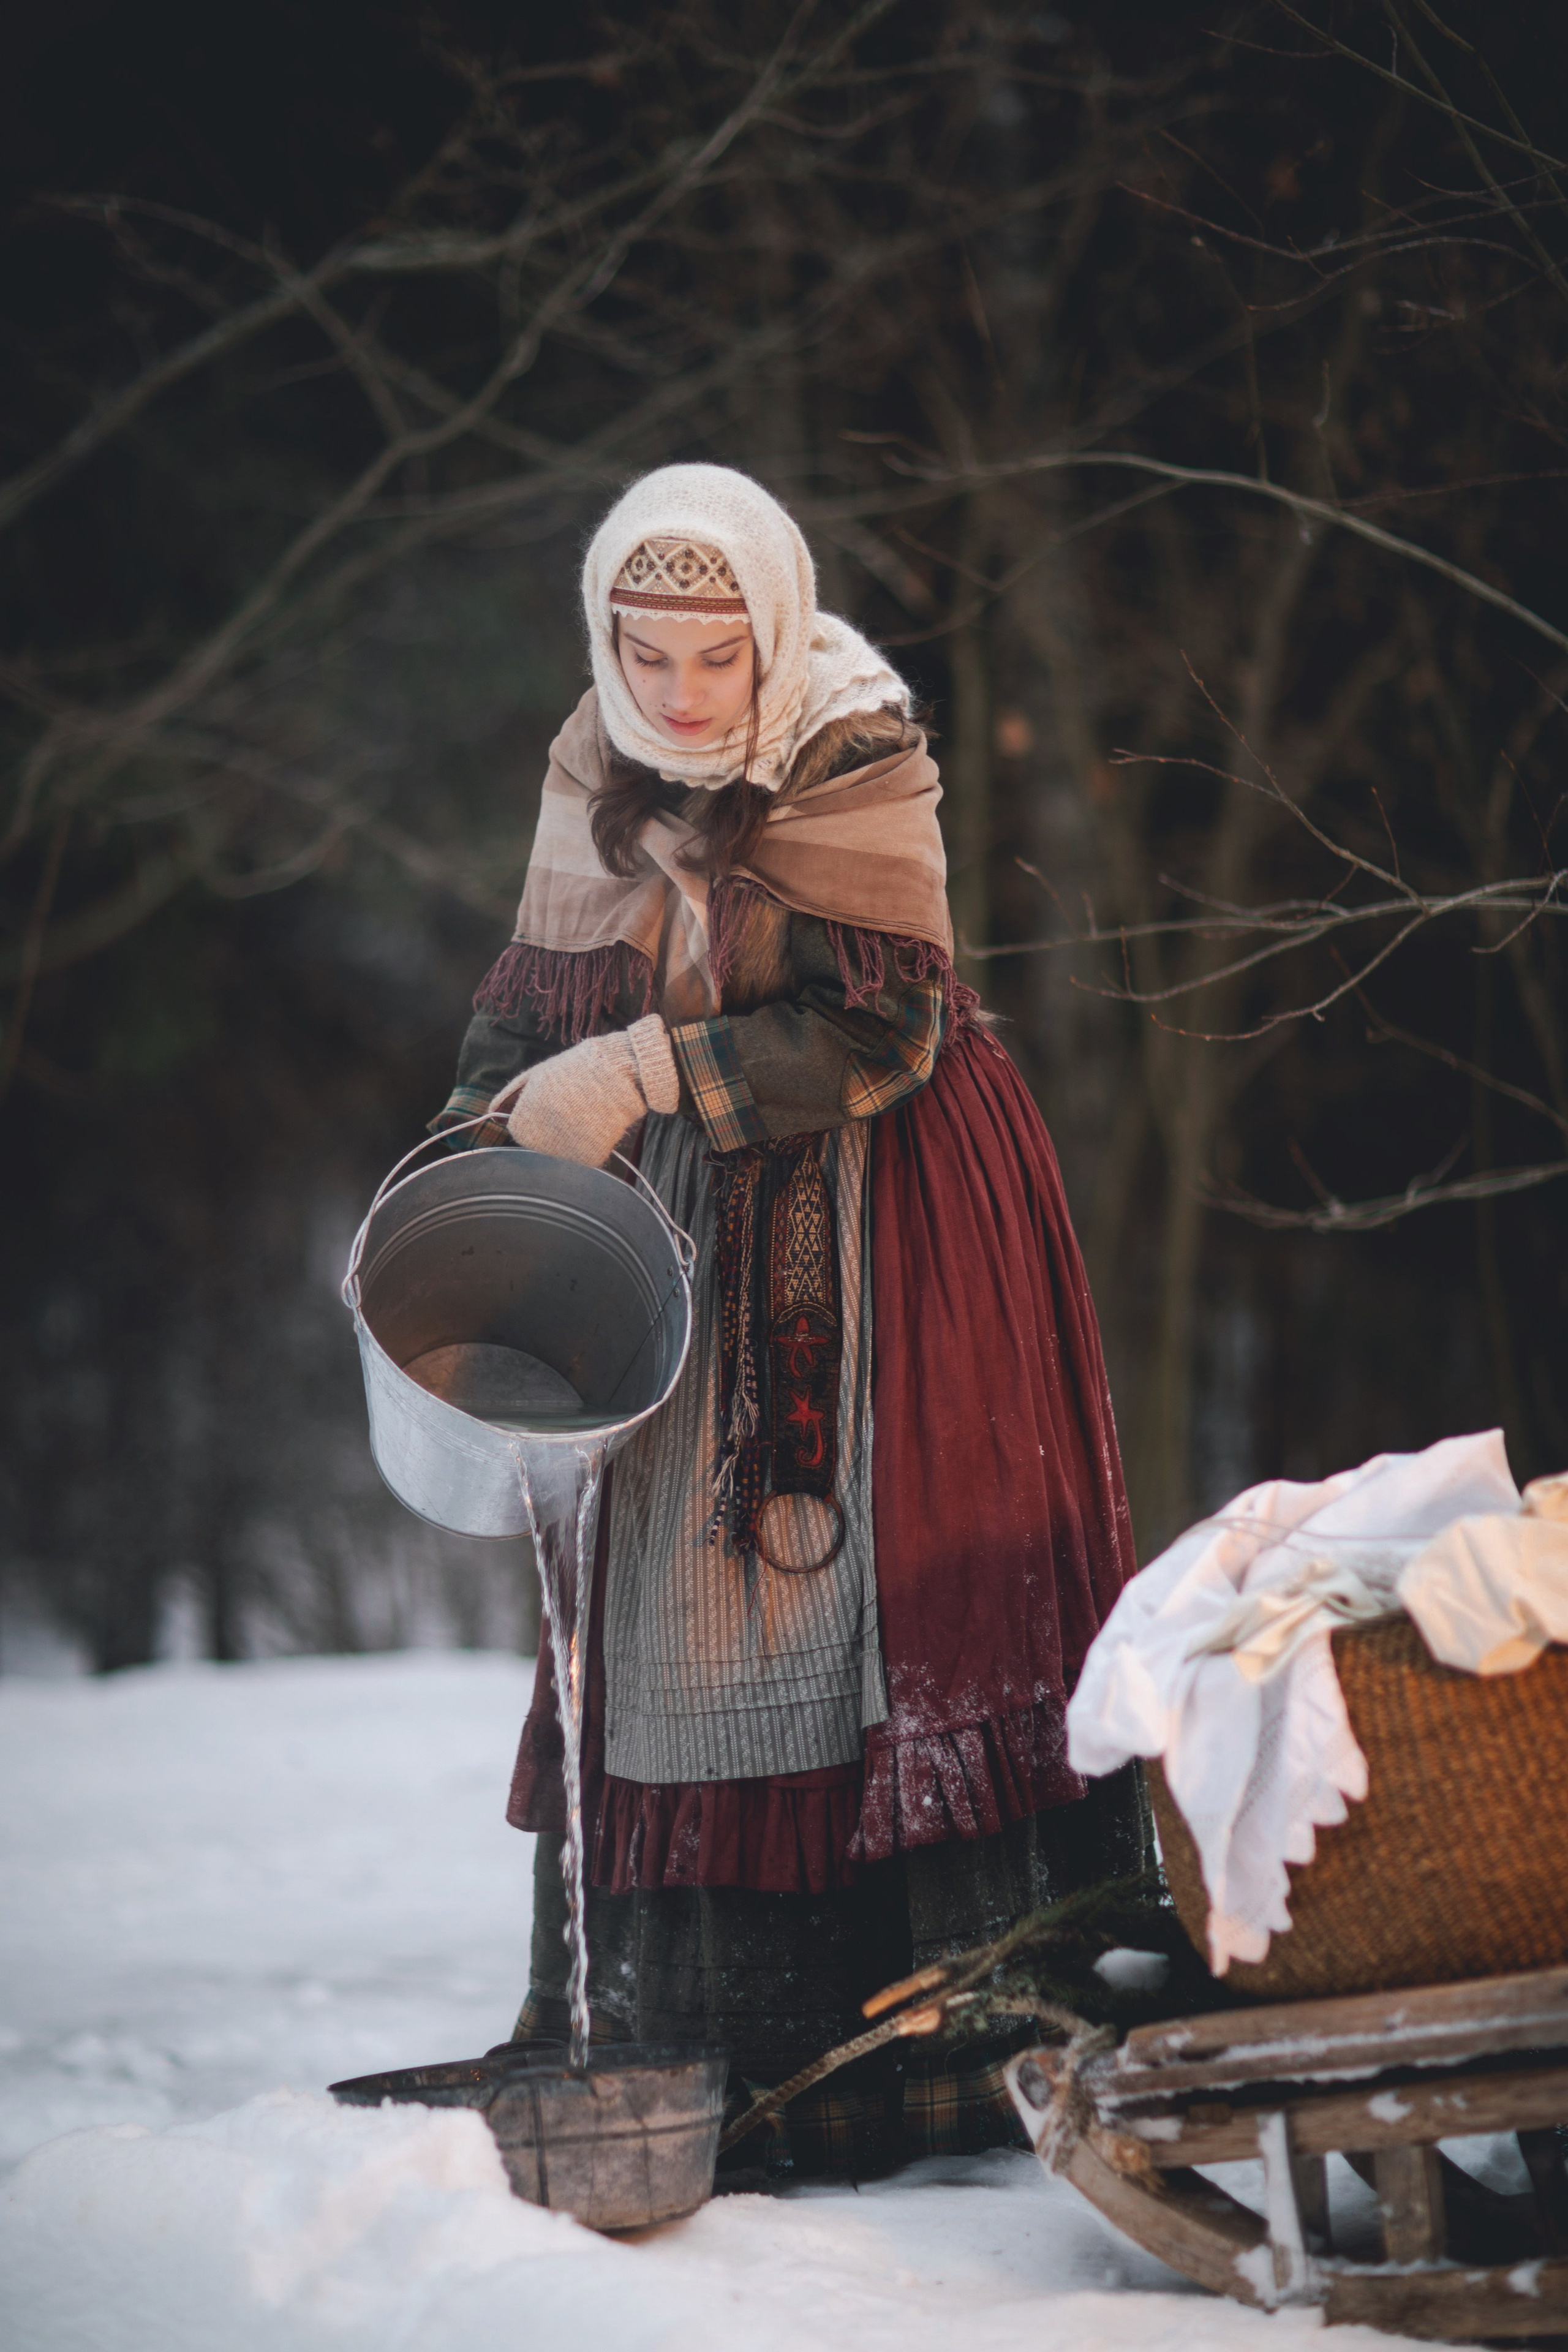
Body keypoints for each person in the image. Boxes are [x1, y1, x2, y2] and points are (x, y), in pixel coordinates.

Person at [434, 462, 1147, 2177]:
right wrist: (470, 1169)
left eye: (713, 654)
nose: (678, 695)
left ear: (775, 625)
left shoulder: (854, 742)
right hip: (685, 1217)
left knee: (887, 1574)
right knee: (677, 1592)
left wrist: (639, 1067)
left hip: (892, 1198)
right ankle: (703, 2046)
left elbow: (880, 1035)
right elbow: (531, 1003)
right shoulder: (592, 762)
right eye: (644, 653)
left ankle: (954, 2052)